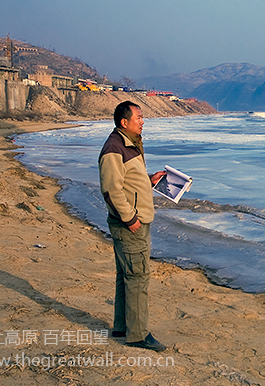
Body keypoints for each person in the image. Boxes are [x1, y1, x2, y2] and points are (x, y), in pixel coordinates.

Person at [99, 101, 167, 351]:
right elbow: (111, 189)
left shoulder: (129, 143)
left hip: (134, 219)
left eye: (142, 116)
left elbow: (127, 182)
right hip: (129, 224)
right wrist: (130, 219)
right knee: (138, 277)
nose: (143, 120)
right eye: (139, 117)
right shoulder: (114, 148)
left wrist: (149, 181)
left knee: (126, 275)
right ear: (123, 122)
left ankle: (122, 327)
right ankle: (138, 334)